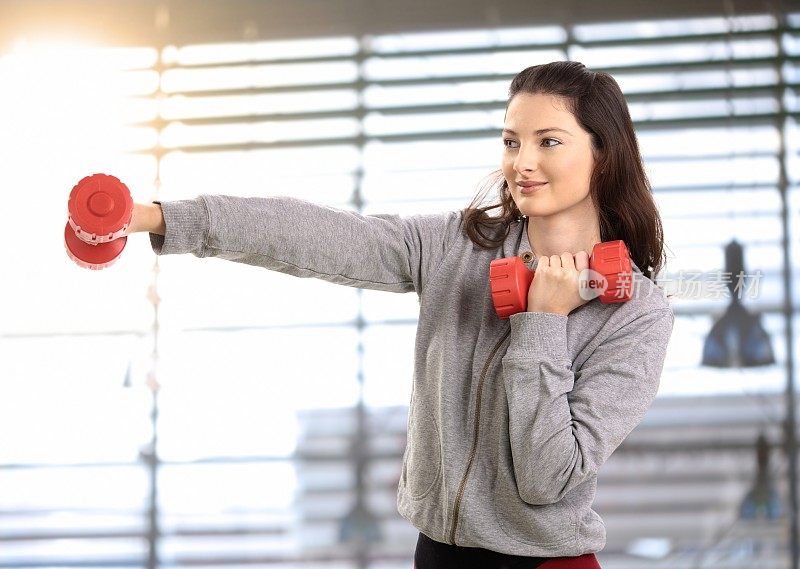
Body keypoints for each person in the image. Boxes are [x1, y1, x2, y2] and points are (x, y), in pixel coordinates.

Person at [125, 60, 674, 568]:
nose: (521, 163)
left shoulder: (638, 314)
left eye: (548, 141)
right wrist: (160, 218)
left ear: (603, 154)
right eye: (511, 141)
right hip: (435, 555)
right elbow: (318, 236)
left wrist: (544, 323)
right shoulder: (454, 247)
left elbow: (547, 477)